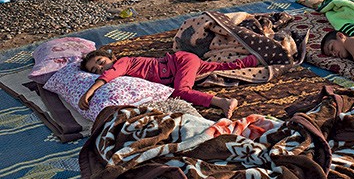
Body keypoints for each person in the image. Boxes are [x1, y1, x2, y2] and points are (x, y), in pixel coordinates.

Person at [79, 50, 259, 118]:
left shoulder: (123, 62)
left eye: (101, 62)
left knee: (180, 91)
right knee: (221, 68)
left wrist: (90, 91)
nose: (102, 68)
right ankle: (255, 59)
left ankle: (221, 101)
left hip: (180, 61)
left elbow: (111, 73)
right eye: (96, 70)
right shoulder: (123, 77)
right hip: (183, 64)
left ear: (112, 58)